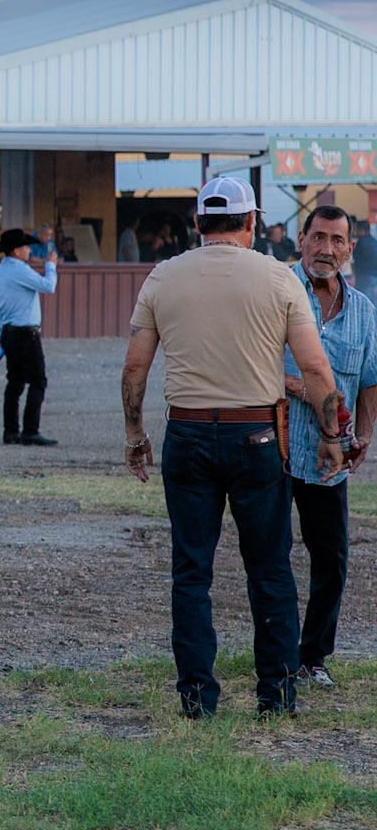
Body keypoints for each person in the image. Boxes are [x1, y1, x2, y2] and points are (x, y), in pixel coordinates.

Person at [121, 177, 343, 719]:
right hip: (257, 434)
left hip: (188, 431)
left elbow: (134, 369)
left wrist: (135, 434)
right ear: (250, 222)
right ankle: (277, 694)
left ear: (198, 223)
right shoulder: (277, 277)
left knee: (191, 571)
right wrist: (332, 436)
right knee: (269, 569)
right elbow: (315, 369)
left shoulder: (163, 276)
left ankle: (197, 697)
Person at [281, 206, 377, 691]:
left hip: (331, 455)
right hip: (276, 449)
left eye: (337, 240)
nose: (326, 249)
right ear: (301, 240)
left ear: (350, 248)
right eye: (318, 237)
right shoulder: (277, 292)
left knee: (331, 559)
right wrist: (307, 391)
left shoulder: (363, 310)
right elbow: (253, 365)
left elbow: (370, 379)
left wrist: (365, 433)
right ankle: (276, 657)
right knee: (271, 557)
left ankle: (313, 657)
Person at [0, 229, 59, 446]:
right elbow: (48, 286)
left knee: (14, 383)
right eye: (26, 247)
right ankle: (30, 430)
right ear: (16, 251)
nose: (29, 250)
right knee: (38, 381)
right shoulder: (21, 271)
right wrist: (51, 265)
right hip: (27, 333)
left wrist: (1, 337)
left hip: (8, 332)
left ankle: (10, 431)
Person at [353, 218, 377, 290]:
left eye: (357, 230)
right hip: (374, 276)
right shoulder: (374, 241)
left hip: (363, 277)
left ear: (362, 230)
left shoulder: (361, 242)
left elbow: (354, 257)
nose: (356, 232)